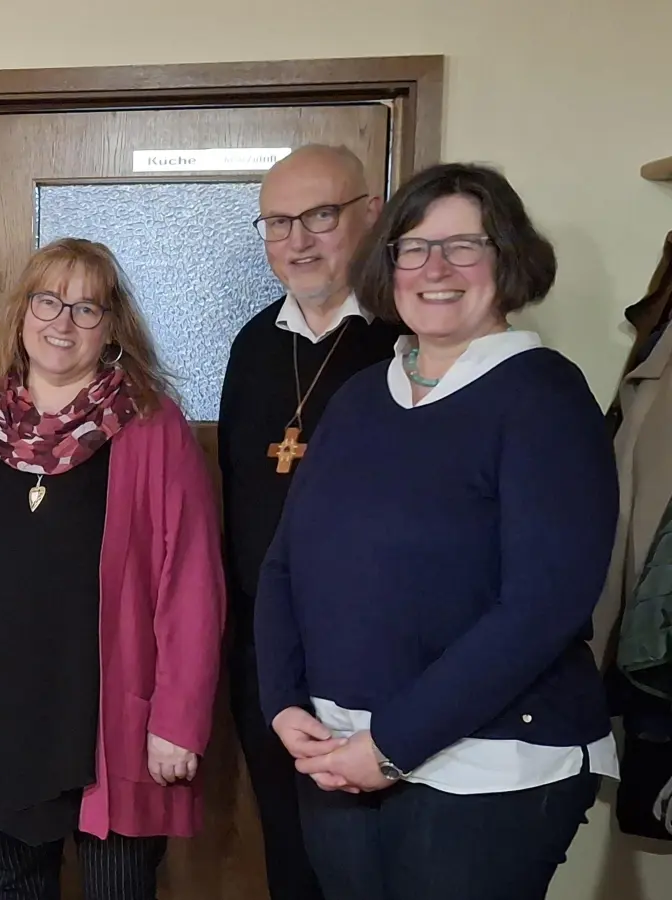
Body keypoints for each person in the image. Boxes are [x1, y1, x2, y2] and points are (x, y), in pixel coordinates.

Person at [256, 162, 619, 900]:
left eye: (464, 247)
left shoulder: (545, 398)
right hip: (338, 753)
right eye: (414, 248)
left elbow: (540, 609)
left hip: (489, 766)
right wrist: (284, 702)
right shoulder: (360, 398)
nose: (435, 269)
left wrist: (393, 745)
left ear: (508, 258)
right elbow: (285, 563)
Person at [0, 237, 226, 899]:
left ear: (112, 326)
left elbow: (191, 584)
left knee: (117, 887)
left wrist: (179, 719)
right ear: (21, 313)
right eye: (47, 302)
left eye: (86, 308)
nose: (62, 323)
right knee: (15, 886)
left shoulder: (152, 428)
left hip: (109, 714)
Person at [216, 143, 400, 900]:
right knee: (291, 858)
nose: (297, 241)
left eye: (320, 216)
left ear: (371, 214)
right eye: (277, 222)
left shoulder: (409, 337)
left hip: (379, 655)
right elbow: (234, 498)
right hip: (269, 654)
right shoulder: (254, 343)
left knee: (375, 866)